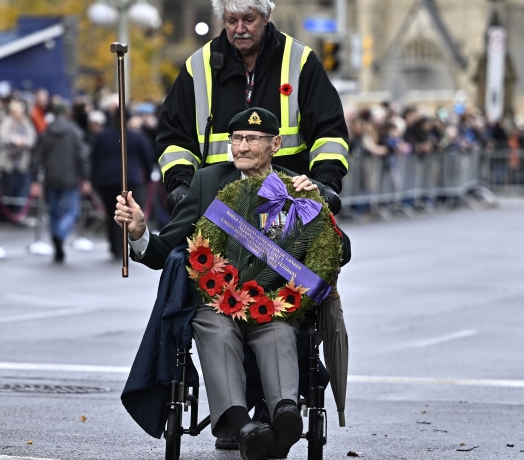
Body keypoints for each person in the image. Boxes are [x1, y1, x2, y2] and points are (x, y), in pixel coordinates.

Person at [115, 108, 351, 460]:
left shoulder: (294, 185)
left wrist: (314, 203)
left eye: (252, 139)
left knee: (279, 332)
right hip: (217, 303)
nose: (241, 147)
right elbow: (165, 250)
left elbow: (341, 250)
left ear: (275, 143)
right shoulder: (207, 181)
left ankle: (286, 413)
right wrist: (138, 231)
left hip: (273, 304)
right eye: (236, 139)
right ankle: (243, 428)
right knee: (217, 331)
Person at [157, 0, 349, 216]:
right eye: (231, 20)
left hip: (288, 206)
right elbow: (174, 137)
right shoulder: (198, 66)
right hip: (216, 209)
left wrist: (326, 184)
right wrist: (180, 185)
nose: (239, 29)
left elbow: (329, 132)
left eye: (248, 19)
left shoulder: (300, 61)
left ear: (266, 16)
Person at [30, 101, 90, 263]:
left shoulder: (46, 132)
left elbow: (37, 156)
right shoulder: (74, 131)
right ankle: (60, 234)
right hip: (70, 177)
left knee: (54, 212)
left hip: (51, 177)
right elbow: (82, 156)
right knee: (72, 211)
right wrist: (84, 177)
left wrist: (35, 178)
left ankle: (57, 237)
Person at [91, 108, 153, 260]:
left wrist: (94, 180)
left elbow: (94, 159)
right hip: (131, 179)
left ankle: (115, 246)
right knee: (130, 214)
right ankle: (128, 245)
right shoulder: (137, 137)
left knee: (112, 213)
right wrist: (148, 178)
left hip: (107, 180)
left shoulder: (102, 137)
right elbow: (147, 158)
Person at [0, 100, 36, 217]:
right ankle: (4, 214)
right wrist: (15, 140)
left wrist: (24, 142)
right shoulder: (6, 122)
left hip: (22, 163)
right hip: (7, 163)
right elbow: (2, 136)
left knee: (21, 189)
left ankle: (19, 213)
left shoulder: (26, 123)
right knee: (6, 190)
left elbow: (32, 138)